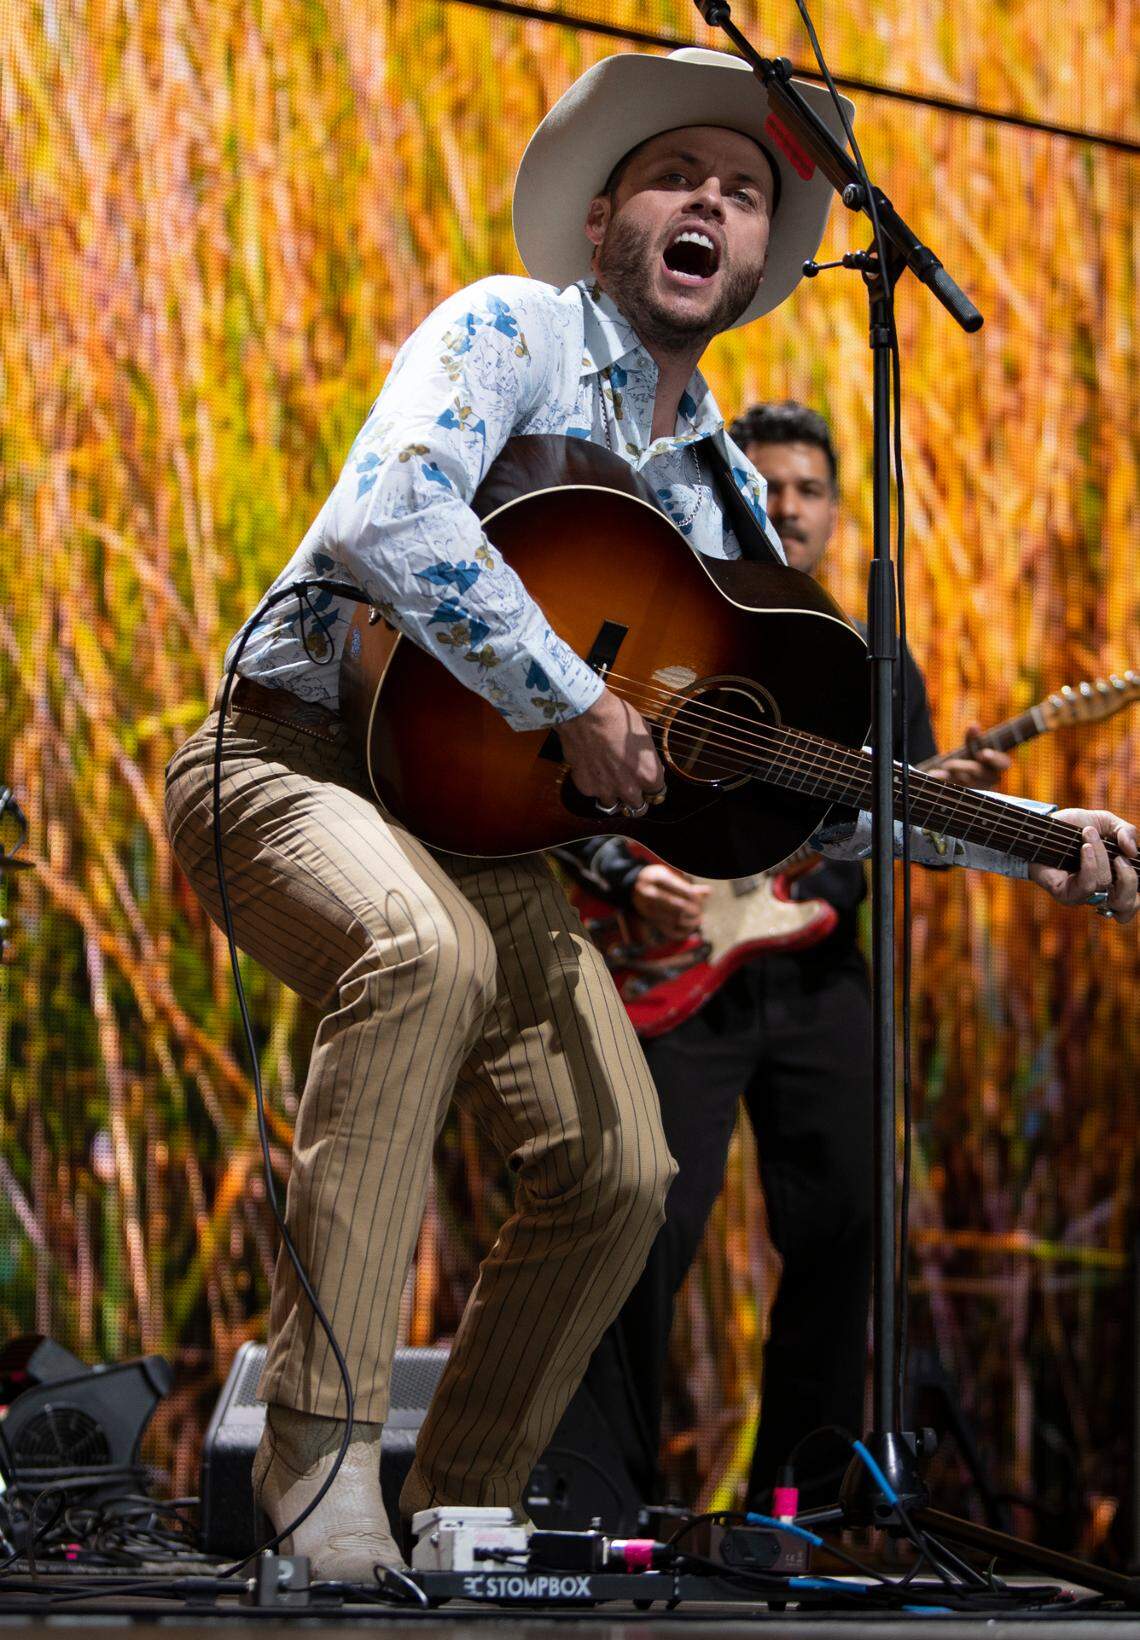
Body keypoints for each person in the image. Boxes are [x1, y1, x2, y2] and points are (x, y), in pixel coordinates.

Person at [162, 49, 1137, 1577]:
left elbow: (811, 786)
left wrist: (1030, 835)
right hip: (289, 761)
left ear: (762, 260)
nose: (712, 205)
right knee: (420, 955)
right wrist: (575, 696)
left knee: (621, 1173)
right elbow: (386, 508)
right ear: (610, 213)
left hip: (479, 835)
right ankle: (317, 1473)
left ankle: (461, 1509)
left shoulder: (724, 505)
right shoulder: (512, 330)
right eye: (679, 178)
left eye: (744, 193)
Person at [556, 400, 1026, 1513]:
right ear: (731, 500)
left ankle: (806, 1509)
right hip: (678, 975)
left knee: (850, 1218)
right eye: (764, 485)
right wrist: (629, 875)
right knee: (644, 1222)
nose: (788, 505)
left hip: (819, 968)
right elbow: (570, 774)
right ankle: (598, 1503)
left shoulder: (876, 659)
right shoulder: (690, 626)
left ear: (835, 510)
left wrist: (926, 818)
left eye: (810, 489)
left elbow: (899, 825)